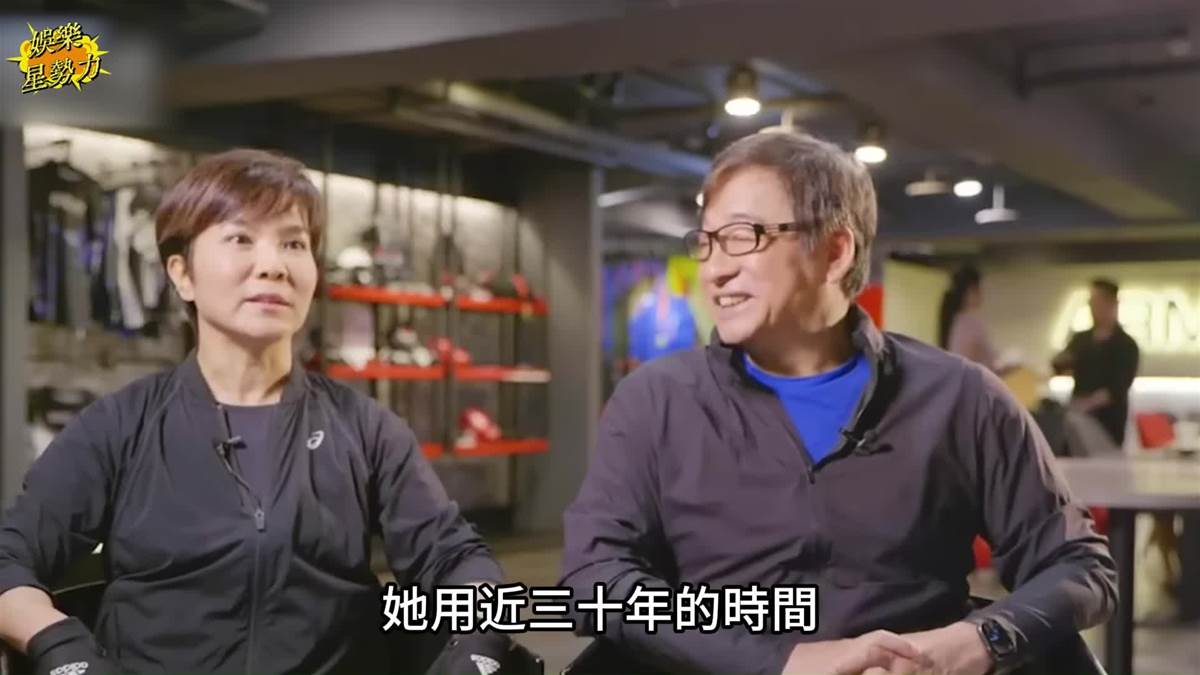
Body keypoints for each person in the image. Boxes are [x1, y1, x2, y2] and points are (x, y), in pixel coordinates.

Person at [559, 130, 1117, 675]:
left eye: (742, 237)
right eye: (706, 242)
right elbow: (594, 579)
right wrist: (782, 663)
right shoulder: (656, 402)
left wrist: (980, 640)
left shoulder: (961, 399)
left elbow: (1080, 565)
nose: (715, 269)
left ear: (834, 251)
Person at [0, 149, 514, 675]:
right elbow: (8, 560)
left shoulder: (365, 429)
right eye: (241, 239)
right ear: (182, 274)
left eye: (293, 243)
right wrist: (62, 648)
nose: (273, 265)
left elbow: (454, 557)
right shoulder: (120, 426)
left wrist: (479, 646)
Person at [1051, 278, 1140, 447]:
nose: (1092, 307)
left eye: (1097, 301)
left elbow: (1118, 387)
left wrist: (1087, 403)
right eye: (1091, 302)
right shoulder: (1081, 340)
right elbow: (1059, 366)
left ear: (1112, 303)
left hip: (1108, 425)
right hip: (1076, 423)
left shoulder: (1126, 345)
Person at [939, 264, 1001, 372]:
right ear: (970, 292)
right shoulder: (971, 324)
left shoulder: (957, 322)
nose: (982, 293)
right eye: (979, 289)